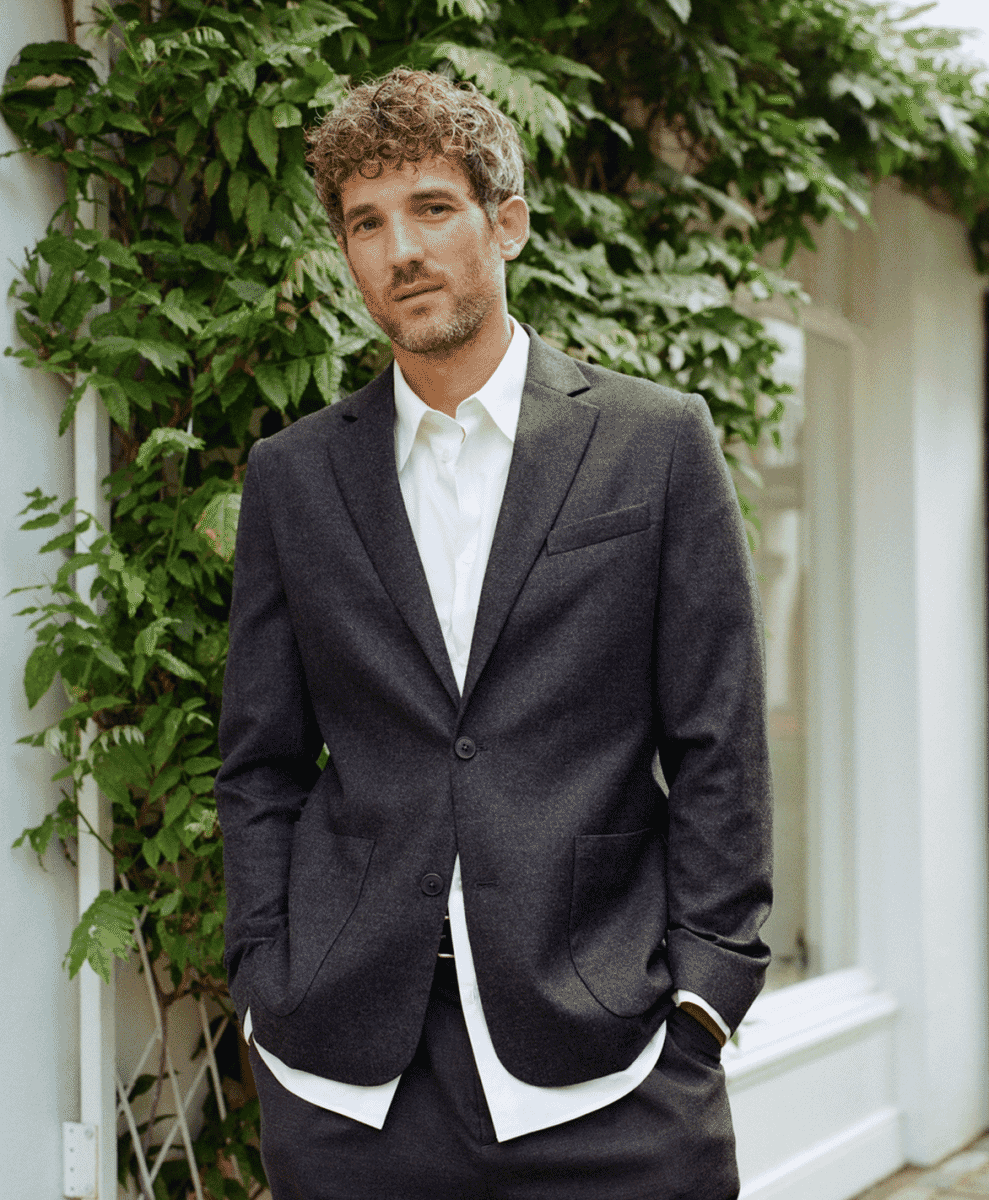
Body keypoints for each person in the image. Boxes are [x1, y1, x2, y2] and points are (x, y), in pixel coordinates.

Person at [214, 67, 772, 1200]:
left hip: (609, 1063)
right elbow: (260, 760)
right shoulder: (294, 478)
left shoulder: (652, 444)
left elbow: (717, 738)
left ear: (504, 222)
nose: (399, 251)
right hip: (349, 1079)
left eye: (430, 208)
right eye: (365, 224)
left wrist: (705, 996)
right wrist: (262, 982)